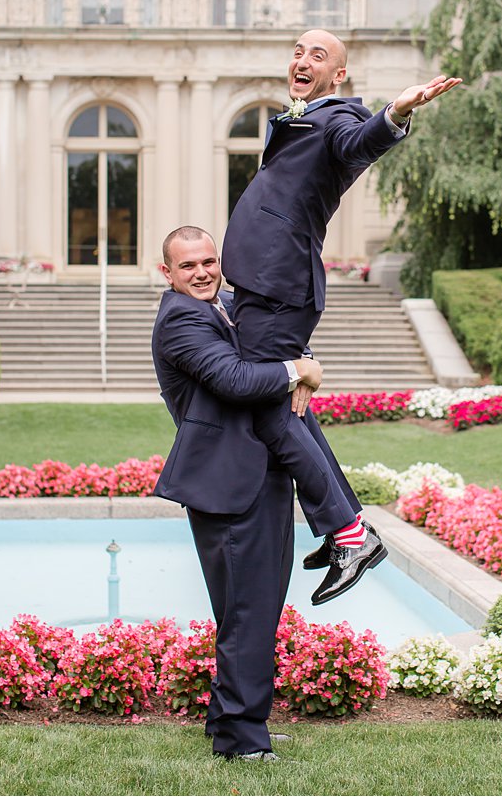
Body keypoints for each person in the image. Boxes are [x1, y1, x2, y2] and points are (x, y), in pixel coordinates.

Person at [220, 29, 460, 605]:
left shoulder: (337, 120)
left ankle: (349, 534)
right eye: (298, 51)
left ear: (339, 76)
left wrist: (395, 113)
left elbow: (360, 142)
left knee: (270, 409)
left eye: (318, 56)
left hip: (280, 285)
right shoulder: (303, 116)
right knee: (291, 409)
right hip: (263, 283)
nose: (303, 61)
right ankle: (350, 527)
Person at [151, 225, 323, 761]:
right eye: (188, 266)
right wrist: (297, 370)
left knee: (257, 609)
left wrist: (296, 361)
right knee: (246, 613)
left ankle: (231, 719)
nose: (202, 272)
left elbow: (279, 344)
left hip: (265, 473)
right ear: (167, 273)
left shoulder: (228, 304)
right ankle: (242, 740)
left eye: (208, 261)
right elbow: (235, 379)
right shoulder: (180, 319)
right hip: (226, 485)